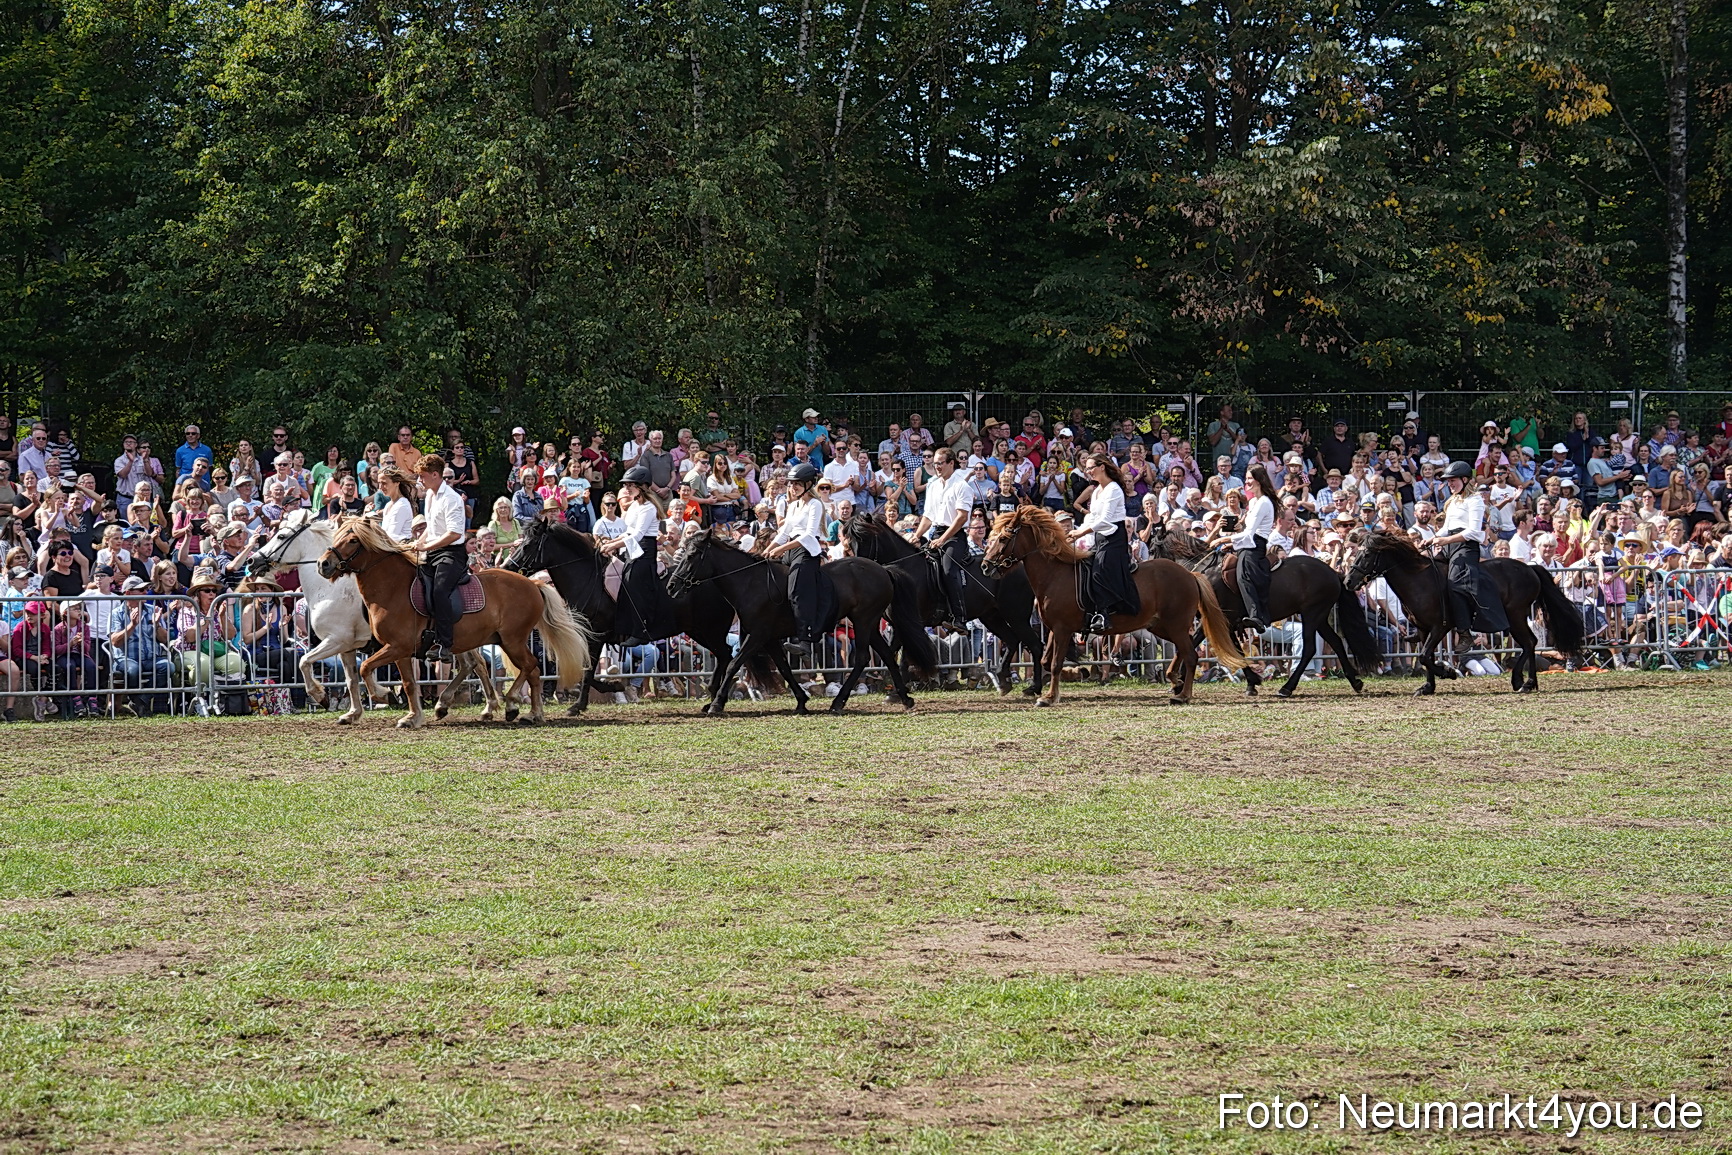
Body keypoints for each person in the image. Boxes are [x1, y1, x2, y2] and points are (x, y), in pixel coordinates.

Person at [598, 465, 674, 645]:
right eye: (626, 486)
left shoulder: (648, 508)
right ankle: (624, 628)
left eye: (630, 485)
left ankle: (642, 631)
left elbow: (638, 534)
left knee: (635, 583)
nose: (626, 489)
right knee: (623, 582)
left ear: (642, 486)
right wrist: (610, 542)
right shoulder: (633, 506)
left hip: (645, 550)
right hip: (633, 549)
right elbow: (627, 532)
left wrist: (614, 545)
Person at [1431, 461, 1510, 634]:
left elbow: (1474, 532)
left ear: (1465, 479)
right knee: (1430, 573)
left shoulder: (1475, 500)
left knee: (1455, 585)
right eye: (1448, 481)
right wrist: (1433, 538)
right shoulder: (1452, 501)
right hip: (1450, 544)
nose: (1450, 484)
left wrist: (1445, 540)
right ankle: (1427, 622)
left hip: (1466, 547)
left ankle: (1464, 631)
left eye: (1453, 480)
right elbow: (1447, 527)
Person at [1068, 454, 1138, 634]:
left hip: (1114, 538)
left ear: (1102, 467)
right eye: (1087, 468)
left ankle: (1104, 613)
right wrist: (1075, 534)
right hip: (1099, 538)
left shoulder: (1113, 489)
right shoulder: (1097, 490)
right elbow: (1092, 517)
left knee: (1100, 570)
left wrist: (1082, 532)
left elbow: (1106, 520)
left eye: (1091, 467)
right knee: (1085, 567)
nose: (1088, 471)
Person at [409, 456, 467, 662]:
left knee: (440, 590)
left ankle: (445, 644)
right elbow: (432, 529)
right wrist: (417, 543)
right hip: (433, 551)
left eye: (423, 476)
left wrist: (426, 545)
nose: (420, 481)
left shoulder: (451, 498)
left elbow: (454, 534)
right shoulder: (431, 496)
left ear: (435, 475)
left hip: (452, 553)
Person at [766, 462, 828, 645]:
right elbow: (784, 533)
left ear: (808, 485)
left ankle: (804, 638)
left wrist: (779, 549)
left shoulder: (815, 504)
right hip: (790, 550)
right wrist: (766, 550)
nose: (793, 488)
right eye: (791, 484)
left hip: (806, 551)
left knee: (796, 592)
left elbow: (809, 535)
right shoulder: (792, 506)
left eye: (797, 484)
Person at [912, 447, 973, 631]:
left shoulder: (961, 486)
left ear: (951, 463)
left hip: (955, 536)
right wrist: (915, 536)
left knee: (947, 569)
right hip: (936, 533)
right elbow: (928, 517)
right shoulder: (932, 484)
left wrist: (943, 539)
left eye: (940, 463)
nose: (936, 466)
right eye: (935, 463)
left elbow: (961, 517)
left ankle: (959, 617)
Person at [1225, 464, 1275, 630]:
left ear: (1259, 481)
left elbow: (1249, 535)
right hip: (1248, 542)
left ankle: (1256, 616)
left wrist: (1221, 541)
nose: (1246, 482)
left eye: (1249, 479)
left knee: (1243, 577)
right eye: (1246, 479)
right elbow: (1246, 531)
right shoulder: (1253, 501)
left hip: (1255, 544)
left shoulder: (1263, 502)